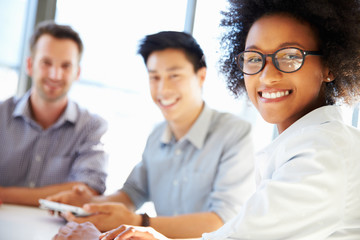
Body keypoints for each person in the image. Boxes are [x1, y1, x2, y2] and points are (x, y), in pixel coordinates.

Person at [53, 0, 360, 239]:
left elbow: (233, 231)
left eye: (290, 56)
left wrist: (135, 227)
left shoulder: (323, 152)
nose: (267, 75)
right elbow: (133, 192)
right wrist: (92, 207)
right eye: (254, 58)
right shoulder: (302, 142)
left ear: (331, 65)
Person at [49, 31, 256, 238]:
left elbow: (222, 221)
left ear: (201, 76)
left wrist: (138, 222)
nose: (163, 89)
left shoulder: (235, 134)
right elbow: (131, 194)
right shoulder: (157, 136)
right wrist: (88, 204)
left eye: (174, 76)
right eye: (154, 77)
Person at [0, 21, 108, 207]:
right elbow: (77, 190)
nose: (55, 75)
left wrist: (4, 194)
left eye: (66, 66)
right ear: (29, 65)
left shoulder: (92, 127)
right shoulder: (2, 115)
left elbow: (89, 190)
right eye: (46, 63)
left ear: (77, 73)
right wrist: (61, 192)